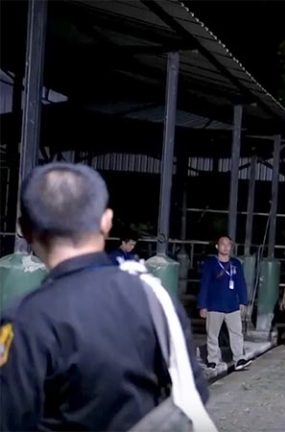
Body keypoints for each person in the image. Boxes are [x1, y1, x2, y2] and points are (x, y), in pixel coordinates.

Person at [0, 162, 208, 431]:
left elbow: (10, 418)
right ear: (106, 222)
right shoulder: (154, 296)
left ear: (25, 230)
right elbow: (194, 393)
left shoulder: (24, 319)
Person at [197, 235, 252, 371]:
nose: (226, 247)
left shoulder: (236, 263)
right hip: (214, 306)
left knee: (236, 333)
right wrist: (202, 305)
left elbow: (241, 283)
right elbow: (204, 285)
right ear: (217, 246)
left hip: (232, 305)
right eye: (223, 244)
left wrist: (243, 301)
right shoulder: (210, 263)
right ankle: (212, 359)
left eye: (229, 244)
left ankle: (239, 358)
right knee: (212, 334)